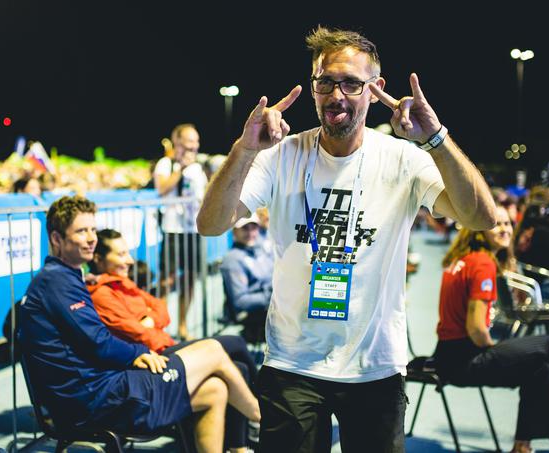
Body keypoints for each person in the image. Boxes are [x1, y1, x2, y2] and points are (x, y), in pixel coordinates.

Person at [197, 26, 495, 452]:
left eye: (352, 83)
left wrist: (437, 139)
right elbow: (209, 224)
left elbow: (481, 217)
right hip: (291, 364)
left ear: (375, 90)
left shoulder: (403, 159)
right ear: (314, 86)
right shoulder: (280, 156)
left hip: (374, 367)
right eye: (326, 82)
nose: (337, 95)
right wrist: (244, 151)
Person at [19, 196, 260, 453]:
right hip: (95, 399)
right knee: (213, 350)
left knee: (215, 389)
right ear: (56, 239)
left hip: (101, 388)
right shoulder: (56, 282)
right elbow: (98, 341)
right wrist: (139, 353)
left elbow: (113, 330)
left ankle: (246, 440)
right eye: (81, 231)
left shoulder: (66, 277)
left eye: (92, 229)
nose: (91, 238)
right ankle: (266, 422)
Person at [87, 228, 257, 453]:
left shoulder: (124, 284)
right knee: (232, 344)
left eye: (127, 253)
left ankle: (240, 446)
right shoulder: (103, 294)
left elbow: (162, 310)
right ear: (98, 259)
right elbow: (139, 334)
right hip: (152, 357)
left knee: (239, 367)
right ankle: (262, 416)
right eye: (120, 255)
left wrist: (151, 319)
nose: (128, 260)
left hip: (164, 346)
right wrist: (150, 323)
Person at [431, 205, 549, 453]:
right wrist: (493, 349)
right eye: (497, 224)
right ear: (479, 229)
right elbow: (476, 328)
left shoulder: (463, 258)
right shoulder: (483, 263)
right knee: (548, 345)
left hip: (447, 354)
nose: (505, 229)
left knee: (544, 370)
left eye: (508, 224)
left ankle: (522, 446)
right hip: (465, 359)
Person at [154, 123, 208, 339]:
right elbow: (162, 188)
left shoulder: (198, 169)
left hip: (193, 230)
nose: (194, 145)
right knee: (166, 280)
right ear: (177, 142)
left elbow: (204, 195)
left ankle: (183, 325)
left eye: (196, 141)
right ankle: (160, 325)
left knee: (189, 279)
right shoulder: (165, 164)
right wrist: (180, 169)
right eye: (189, 140)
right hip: (172, 230)